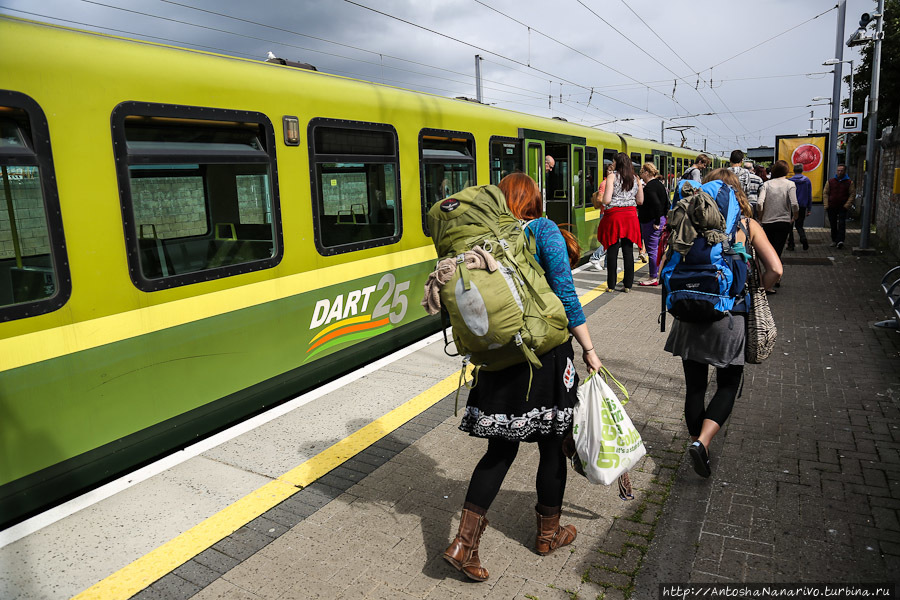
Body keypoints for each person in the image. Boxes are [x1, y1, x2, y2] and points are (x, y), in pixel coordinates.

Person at [443, 172, 604, 582]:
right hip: (546, 356)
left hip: (502, 358)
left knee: (500, 451)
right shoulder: (543, 229)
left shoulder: (486, 242)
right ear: (533, 198)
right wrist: (589, 349)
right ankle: (548, 535)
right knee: (552, 447)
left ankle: (463, 544)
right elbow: (566, 295)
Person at [664, 168, 783, 478]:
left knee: (695, 387)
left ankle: (695, 442)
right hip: (729, 316)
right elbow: (776, 269)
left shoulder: (690, 219)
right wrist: (762, 287)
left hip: (688, 311)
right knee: (728, 384)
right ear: (736, 194)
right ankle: (702, 443)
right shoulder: (747, 225)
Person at [598, 152, 644, 292]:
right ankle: (627, 285)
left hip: (614, 216)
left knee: (612, 249)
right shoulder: (635, 178)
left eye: (613, 162)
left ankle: (611, 285)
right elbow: (640, 200)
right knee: (628, 250)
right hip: (630, 216)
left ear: (617, 163)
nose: (612, 164)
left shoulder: (612, 176)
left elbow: (606, 200)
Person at [757, 159, 798, 267]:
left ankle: (772, 271)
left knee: (770, 249)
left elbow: (760, 203)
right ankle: (776, 273)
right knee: (778, 249)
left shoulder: (766, 184)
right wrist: (794, 217)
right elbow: (794, 204)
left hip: (767, 222)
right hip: (783, 222)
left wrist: (760, 216)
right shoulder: (790, 184)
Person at [637, 162, 667, 286]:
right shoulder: (659, 184)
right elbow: (666, 204)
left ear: (647, 173)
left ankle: (653, 277)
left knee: (652, 250)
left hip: (651, 222)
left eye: (642, 172)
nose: (640, 174)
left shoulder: (649, 188)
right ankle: (658, 275)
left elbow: (657, 204)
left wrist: (656, 221)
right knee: (658, 249)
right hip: (659, 219)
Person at [823, 164, 855, 249]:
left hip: (842, 206)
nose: (839, 172)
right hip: (832, 206)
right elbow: (825, 193)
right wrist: (826, 205)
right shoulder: (830, 181)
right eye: (838, 170)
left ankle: (840, 240)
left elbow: (852, 194)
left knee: (841, 224)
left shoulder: (849, 182)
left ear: (845, 171)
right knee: (833, 224)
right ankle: (834, 240)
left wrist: (847, 205)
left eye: (841, 170)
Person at [588, 163, 613, 272]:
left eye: (613, 171)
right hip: (606, 214)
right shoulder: (605, 183)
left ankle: (609, 265)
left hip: (610, 214)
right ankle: (595, 257)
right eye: (610, 171)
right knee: (610, 239)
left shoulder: (610, 182)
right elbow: (599, 199)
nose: (612, 173)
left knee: (612, 239)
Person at [787, 164, 812, 251]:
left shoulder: (789, 181)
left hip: (791, 206)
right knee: (799, 225)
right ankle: (803, 238)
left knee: (789, 226)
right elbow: (809, 195)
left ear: (793, 170)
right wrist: (809, 208)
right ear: (802, 170)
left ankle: (791, 244)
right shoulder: (807, 181)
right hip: (802, 206)